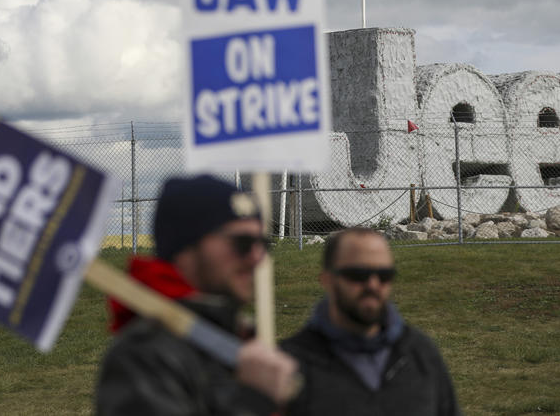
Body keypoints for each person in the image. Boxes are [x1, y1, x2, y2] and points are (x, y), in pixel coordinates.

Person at [96, 175, 298, 416]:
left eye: (262, 244)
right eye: (242, 243)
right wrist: (255, 401)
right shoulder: (143, 356)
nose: (257, 258)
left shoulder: (234, 335)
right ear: (186, 246)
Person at [282, 227, 461, 416]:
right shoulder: (290, 368)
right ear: (327, 280)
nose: (373, 285)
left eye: (384, 276)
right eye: (358, 275)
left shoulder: (420, 354)